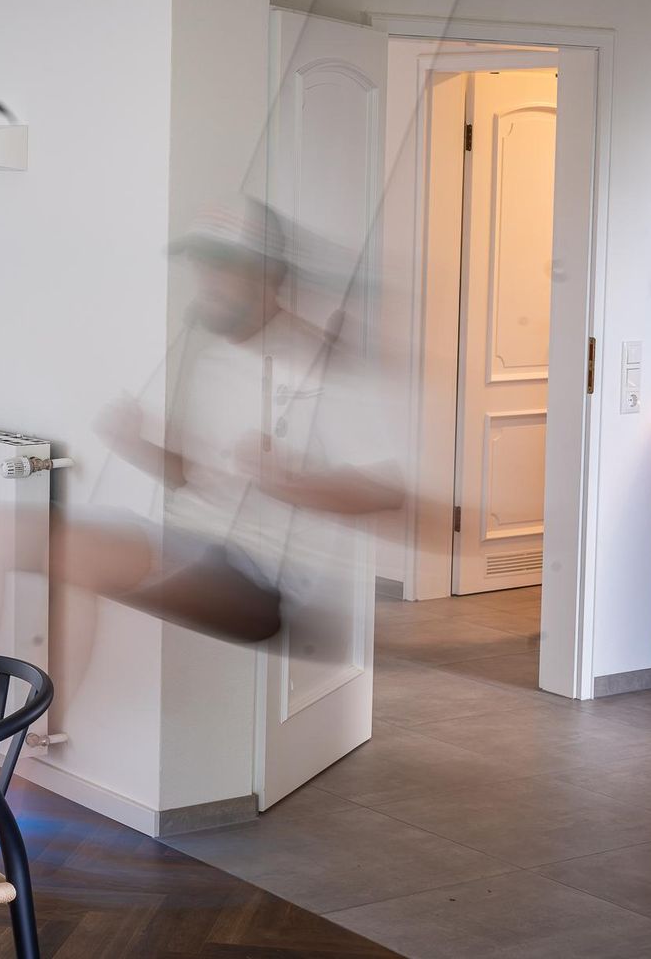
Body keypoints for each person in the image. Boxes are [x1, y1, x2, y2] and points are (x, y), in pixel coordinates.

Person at [57, 197, 404, 645]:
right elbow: (202, 479)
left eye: (222, 265)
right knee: (29, 537)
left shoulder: (321, 362)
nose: (206, 280)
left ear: (268, 274)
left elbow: (386, 491)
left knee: (71, 551)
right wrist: (136, 445)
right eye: (199, 263)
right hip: (195, 541)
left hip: (261, 578)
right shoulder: (215, 362)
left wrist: (290, 483)